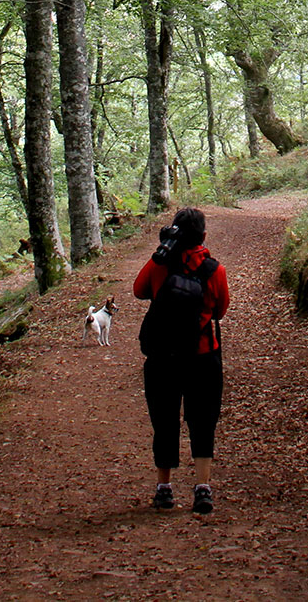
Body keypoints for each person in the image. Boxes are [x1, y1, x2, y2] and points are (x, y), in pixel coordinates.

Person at [133, 206, 230, 514]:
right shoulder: (215, 270)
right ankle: (202, 489)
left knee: (164, 419)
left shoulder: (159, 264)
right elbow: (220, 311)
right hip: (202, 355)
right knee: (203, 420)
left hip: (163, 356)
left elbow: (138, 291)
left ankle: (164, 488)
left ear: (174, 232)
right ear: (203, 235)